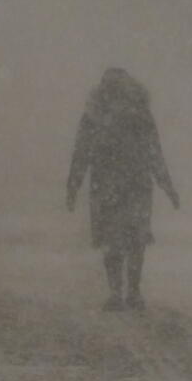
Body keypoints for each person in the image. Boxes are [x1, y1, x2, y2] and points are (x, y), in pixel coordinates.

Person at [67, 68, 179, 311]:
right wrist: (166, 185)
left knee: (119, 241)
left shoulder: (98, 115)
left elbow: (81, 154)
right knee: (130, 240)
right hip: (131, 185)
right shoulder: (135, 114)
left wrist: (73, 186)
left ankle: (121, 293)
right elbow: (154, 153)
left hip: (112, 187)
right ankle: (128, 293)